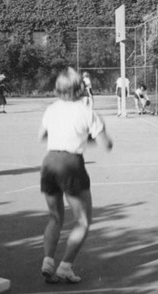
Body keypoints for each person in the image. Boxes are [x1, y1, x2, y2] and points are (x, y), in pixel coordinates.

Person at [37, 67, 113, 284]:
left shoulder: (51, 109)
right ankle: (65, 266)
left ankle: (48, 262)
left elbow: (41, 135)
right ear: (80, 88)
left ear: (57, 88)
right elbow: (106, 144)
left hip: (49, 162)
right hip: (71, 164)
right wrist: (94, 133)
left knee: (55, 217)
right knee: (82, 221)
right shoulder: (86, 111)